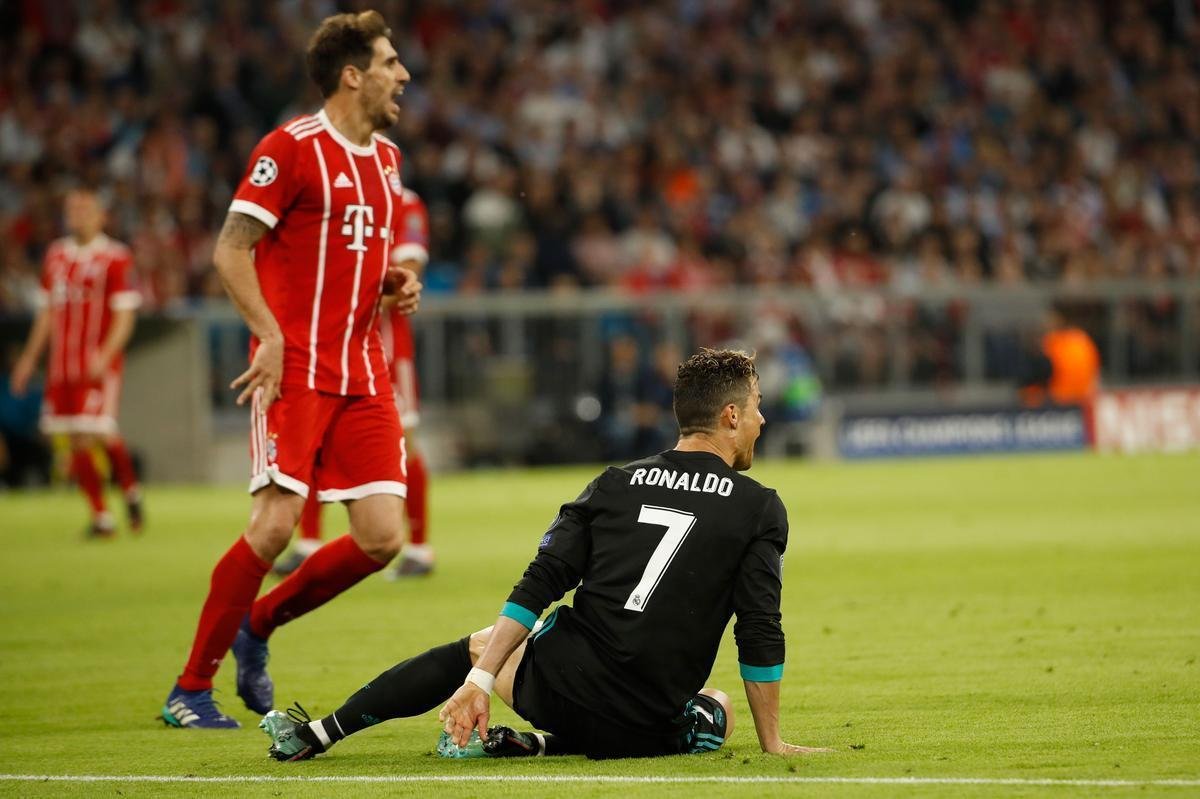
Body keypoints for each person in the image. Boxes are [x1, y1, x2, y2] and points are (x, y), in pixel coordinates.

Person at [259, 349, 830, 759]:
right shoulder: (760, 507)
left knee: (482, 646)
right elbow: (759, 626)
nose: (762, 418)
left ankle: (322, 733)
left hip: (563, 689)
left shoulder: (613, 483)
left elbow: (541, 581)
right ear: (730, 416)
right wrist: (773, 744)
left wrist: (480, 680)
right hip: (649, 723)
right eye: (755, 406)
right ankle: (544, 745)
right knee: (717, 707)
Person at [161, 10, 422, 729]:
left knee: (381, 537)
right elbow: (229, 249)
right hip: (297, 367)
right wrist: (267, 336)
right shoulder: (290, 149)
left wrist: (394, 280)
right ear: (352, 74)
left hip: (363, 370)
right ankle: (190, 687)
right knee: (275, 526)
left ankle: (261, 623)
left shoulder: (389, 162)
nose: (402, 75)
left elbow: (356, 263)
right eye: (390, 62)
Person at [274, 187, 434, 579]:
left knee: (404, 442)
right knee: (311, 437)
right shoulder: (330, 198)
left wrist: (339, 302)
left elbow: (408, 274)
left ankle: (419, 549)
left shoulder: (405, 202)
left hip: (386, 349)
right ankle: (309, 543)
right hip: (329, 346)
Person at [10, 187, 144, 537]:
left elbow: (124, 316)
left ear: (101, 215)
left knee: (93, 432)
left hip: (97, 364)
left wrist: (105, 354)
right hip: (62, 366)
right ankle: (106, 513)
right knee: (77, 436)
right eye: (71, 209)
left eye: (85, 209)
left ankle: (122, 500)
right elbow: (46, 315)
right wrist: (27, 360)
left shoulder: (116, 257)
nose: (77, 215)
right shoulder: (55, 256)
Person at [1019, 306, 1101, 406]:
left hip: (1060, 400)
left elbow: (1042, 372)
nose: (1047, 322)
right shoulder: (1083, 338)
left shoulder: (1054, 341)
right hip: (1080, 401)